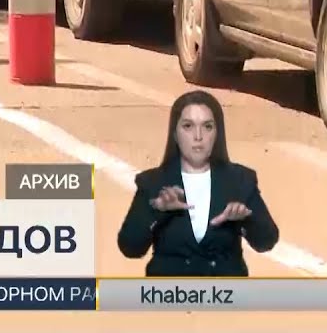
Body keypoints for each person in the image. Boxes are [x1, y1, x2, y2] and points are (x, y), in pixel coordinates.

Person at [117, 90, 278, 276]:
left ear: (217, 134)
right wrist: (156, 211)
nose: (198, 136)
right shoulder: (153, 182)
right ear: (175, 134)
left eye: (207, 127)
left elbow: (267, 242)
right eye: (188, 126)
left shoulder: (240, 180)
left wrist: (247, 219)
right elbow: (130, 248)